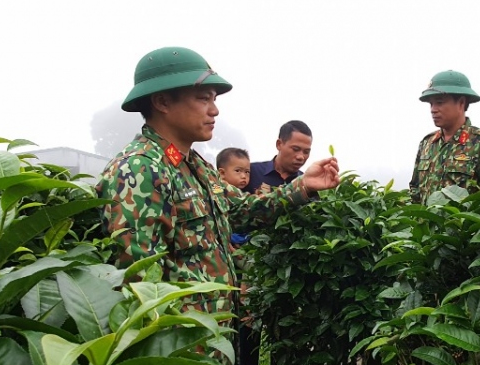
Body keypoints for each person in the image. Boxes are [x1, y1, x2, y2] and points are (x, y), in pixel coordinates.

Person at [97, 46, 341, 316]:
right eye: (204, 99)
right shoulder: (138, 171)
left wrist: (303, 186)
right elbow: (139, 284)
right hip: (183, 344)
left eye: (214, 100)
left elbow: (240, 209)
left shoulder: (198, 169)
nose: (214, 111)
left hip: (215, 336)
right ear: (162, 102)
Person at [409, 70, 480, 204]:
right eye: (431, 104)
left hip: (460, 224)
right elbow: (415, 189)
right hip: (426, 223)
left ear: (461, 103)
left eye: (439, 102)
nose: (433, 109)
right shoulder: (427, 143)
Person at [244, 120, 313, 194]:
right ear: (279, 144)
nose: (301, 157)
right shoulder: (251, 172)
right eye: (295, 149)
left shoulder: (306, 183)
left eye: (306, 152)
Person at [216, 147, 252, 246]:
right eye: (238, 171)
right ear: (222, 173)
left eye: (247, 172)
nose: (243, 176)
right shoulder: (226, 188)